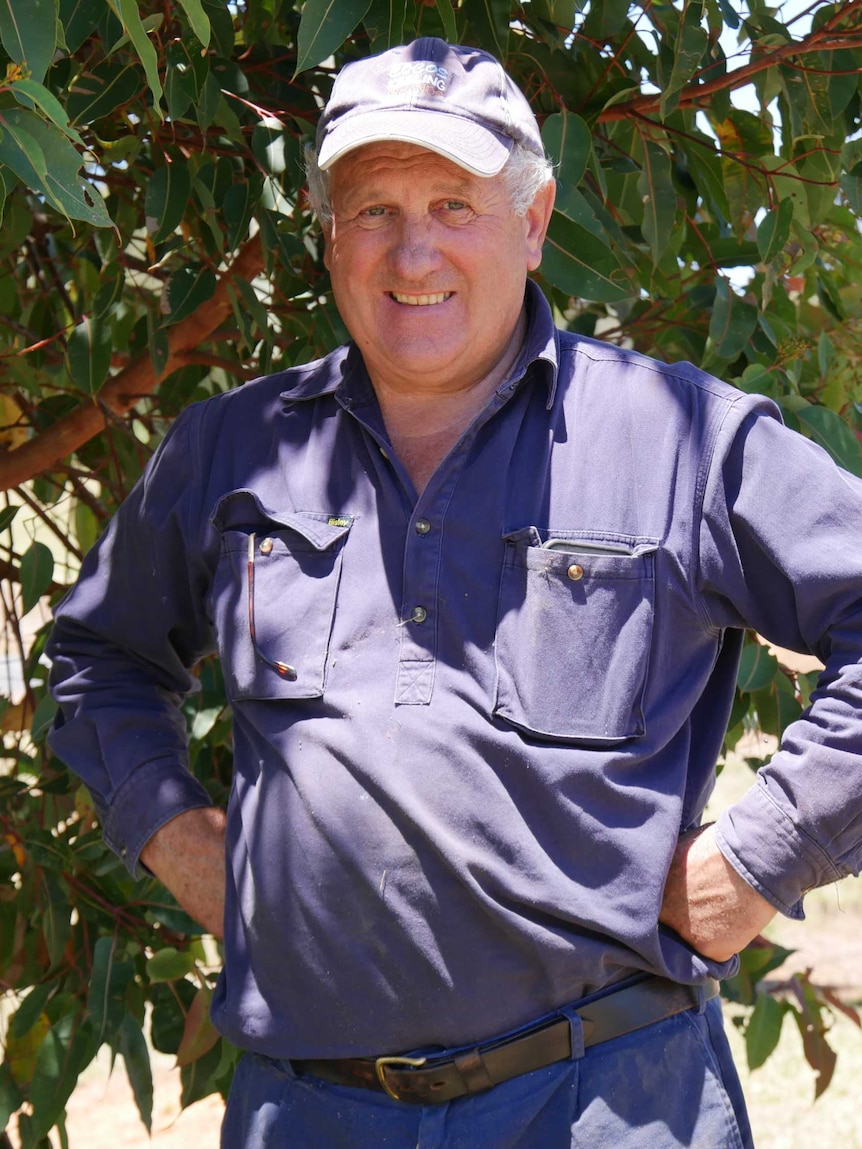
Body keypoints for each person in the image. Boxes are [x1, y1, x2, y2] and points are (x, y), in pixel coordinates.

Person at [47, 37, 862, 1148]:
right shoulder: (232, 449)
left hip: (609, 1100)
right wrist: (174, 834)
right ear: (330, 236)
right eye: (372, 208)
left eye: (452, 202)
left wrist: (763, 855)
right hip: (309, 1110)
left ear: (533, 225)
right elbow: (98, 656)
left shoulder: (678, 442)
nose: (412, 249)